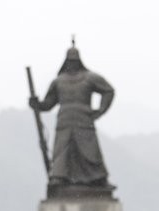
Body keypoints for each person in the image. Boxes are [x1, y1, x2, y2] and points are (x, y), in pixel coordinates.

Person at [29, 45, 115, 191]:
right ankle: (59, 177)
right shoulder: (58, 81)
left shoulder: (90, 78)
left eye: (74, 61)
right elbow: (49, 103)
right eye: (70, 61)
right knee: (62, 150)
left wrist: (100, 111)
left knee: (89, 150)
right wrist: (37, 104)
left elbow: (108, 91)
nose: (72, 64)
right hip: (65, 120)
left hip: (84, 119)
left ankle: (98, 178)